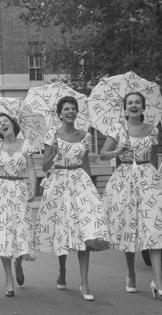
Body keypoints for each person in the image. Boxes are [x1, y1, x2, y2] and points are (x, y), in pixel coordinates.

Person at [99, 92, 162, 298]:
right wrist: (117, 151)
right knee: (129, 228)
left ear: (143, 107)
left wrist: (157, 183)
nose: (134, 105)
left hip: (148, 180)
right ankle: (130, 273)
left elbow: (153, 159)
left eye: (137, 102)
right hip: (125, 179)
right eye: (130, 103)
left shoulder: (152, 129)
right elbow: (102, 155)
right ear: (125, 108)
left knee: (154, 227)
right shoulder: (118, 129)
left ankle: (158, 281)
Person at [35, 96, 109, 302]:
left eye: (73, 108)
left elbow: (86, 164)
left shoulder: (84, 135)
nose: (70, 111)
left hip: (80, 183)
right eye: (66, 108)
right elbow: (44, 167)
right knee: (63, 231)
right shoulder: (52, 134)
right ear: (59, 114)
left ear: (77, 113)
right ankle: (62, 270)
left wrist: (91, 191)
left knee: (84, 231)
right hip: (59, 183)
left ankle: (84, 282)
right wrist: (54, 155)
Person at [0, 113, 37, 297]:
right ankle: (9, 278)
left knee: (20, 231)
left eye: (5, 121)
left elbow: (30, 168)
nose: (3, 124)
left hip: (20, 189)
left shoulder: (26, 144)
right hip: (1, 191)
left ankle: (19, 263)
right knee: (3, 233)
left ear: (12, 124)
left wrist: (33, 188)